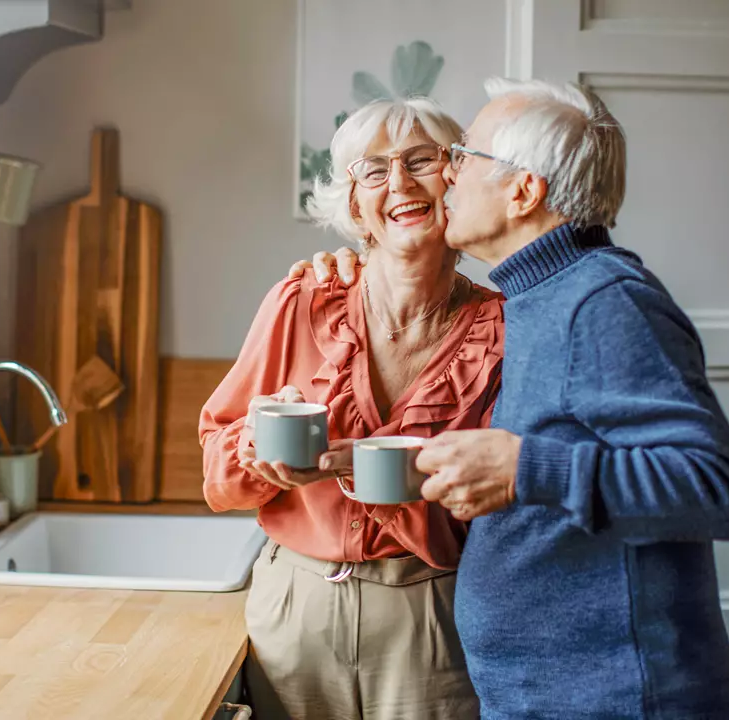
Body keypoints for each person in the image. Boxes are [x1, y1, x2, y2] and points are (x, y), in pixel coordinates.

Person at [291, 77, 729, 719]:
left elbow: (717, 490)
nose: (446, 177)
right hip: (554, 695)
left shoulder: (605, 302)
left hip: (616, 701)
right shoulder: (540, 299)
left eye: (464, 157)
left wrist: (522, 470)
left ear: (523, 190)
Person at [200, 95, 505, 720]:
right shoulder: (302, 300)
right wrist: (253, 449)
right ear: (357, 206)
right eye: (373, 170)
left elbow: (506, 502)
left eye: (421, 159)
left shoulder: (504, 328)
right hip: (296, 609)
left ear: (456, 179)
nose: (399, 183)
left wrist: (372, 468)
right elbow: (217, 475)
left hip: (432, 613)